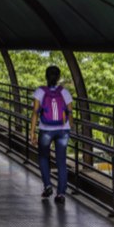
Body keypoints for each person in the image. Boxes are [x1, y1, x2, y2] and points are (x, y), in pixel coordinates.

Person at [30, 65, 74, 204]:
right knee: (61, 161)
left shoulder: (40, 91)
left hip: (46, 129)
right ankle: (61, 194)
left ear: (46, 76)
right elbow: (70, 113)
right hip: (62, 130)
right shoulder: (65, 92)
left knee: (43, 157)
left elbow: (35, 112)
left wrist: (32, 132)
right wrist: (69, 128)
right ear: (59, 77)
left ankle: (48, 185)